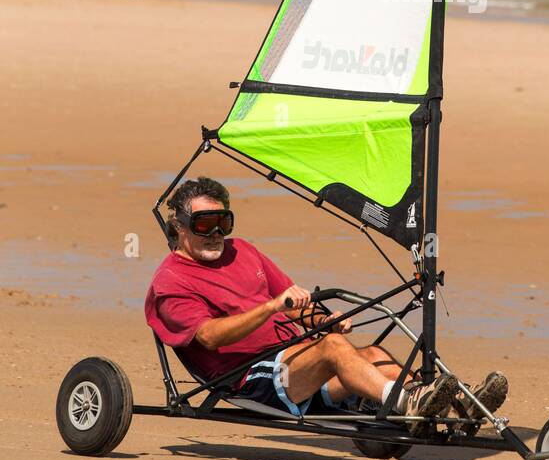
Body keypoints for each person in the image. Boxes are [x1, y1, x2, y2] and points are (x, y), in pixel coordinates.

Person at [145, 177, 507, 436]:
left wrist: (322, 320)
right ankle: (407, 406)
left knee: (371, 353)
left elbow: (292, 303)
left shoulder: (243, 251)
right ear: (179, 225)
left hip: (297, 362)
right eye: (204, 223)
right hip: (249, 377)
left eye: (223, 222)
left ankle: (451, 407)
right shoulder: (172, 281)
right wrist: (270, 308)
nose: (215, 233)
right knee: (333, 350)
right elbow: (208, 336)